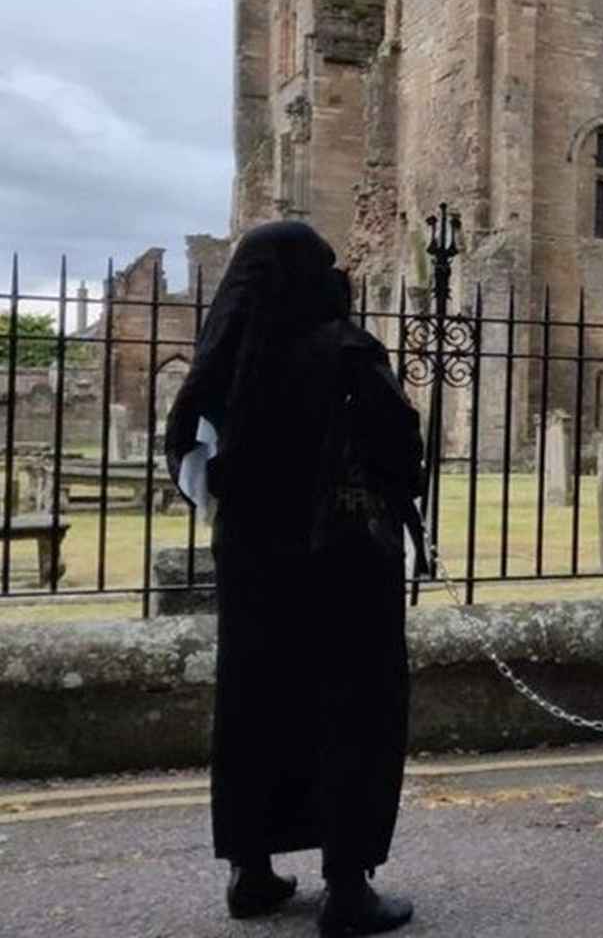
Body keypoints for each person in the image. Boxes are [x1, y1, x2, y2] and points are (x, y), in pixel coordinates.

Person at [164, 221, 424, 936]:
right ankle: (346, 888)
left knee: (257, 708)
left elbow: (194, 469)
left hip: (253, 570)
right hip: (344, 571)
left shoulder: (223, 364)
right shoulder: (345, 351)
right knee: (353, 713)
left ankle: (252, 872)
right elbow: (402, 452)